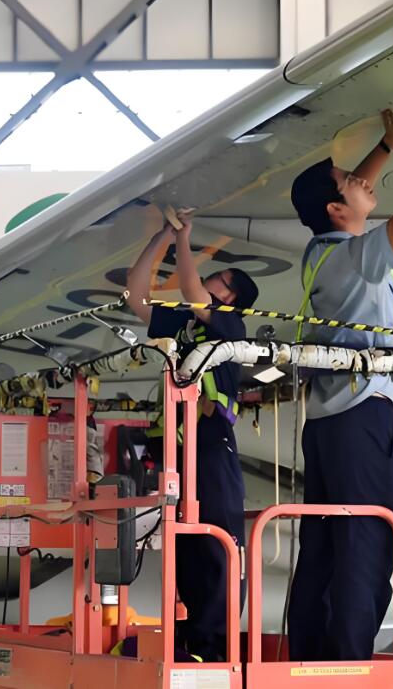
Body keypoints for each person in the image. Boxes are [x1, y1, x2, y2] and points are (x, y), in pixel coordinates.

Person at [285, 107, 393, 661]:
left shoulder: (321, 253)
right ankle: (350, 663)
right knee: (366, 547)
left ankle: (314, 657)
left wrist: (388, 145)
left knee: (325, 547)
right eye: (350, 179)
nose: (364, 180)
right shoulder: (358, 258)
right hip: (364, 415)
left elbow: (351, 196)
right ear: (335, 207)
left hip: (329, 422)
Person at [125, 212, 259, 662]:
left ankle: (216, 648)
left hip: (212, 448)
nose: (207, 279)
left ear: (231, 297)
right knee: (186, 546)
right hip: (181, 452)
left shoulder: (229, 327)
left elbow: (189, 288)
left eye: (218, 279)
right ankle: (197, 643)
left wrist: (183, 239)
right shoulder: (186, 326)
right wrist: (162, 236)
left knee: (218, 544)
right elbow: (135, 293)